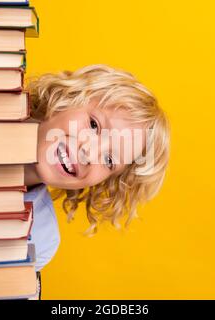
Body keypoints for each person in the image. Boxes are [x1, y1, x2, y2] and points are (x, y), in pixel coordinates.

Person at [22, 64, 171, 272]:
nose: (89, 153)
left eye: (109, 160)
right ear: (65, 98)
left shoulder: (40, 237)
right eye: (94, 125)